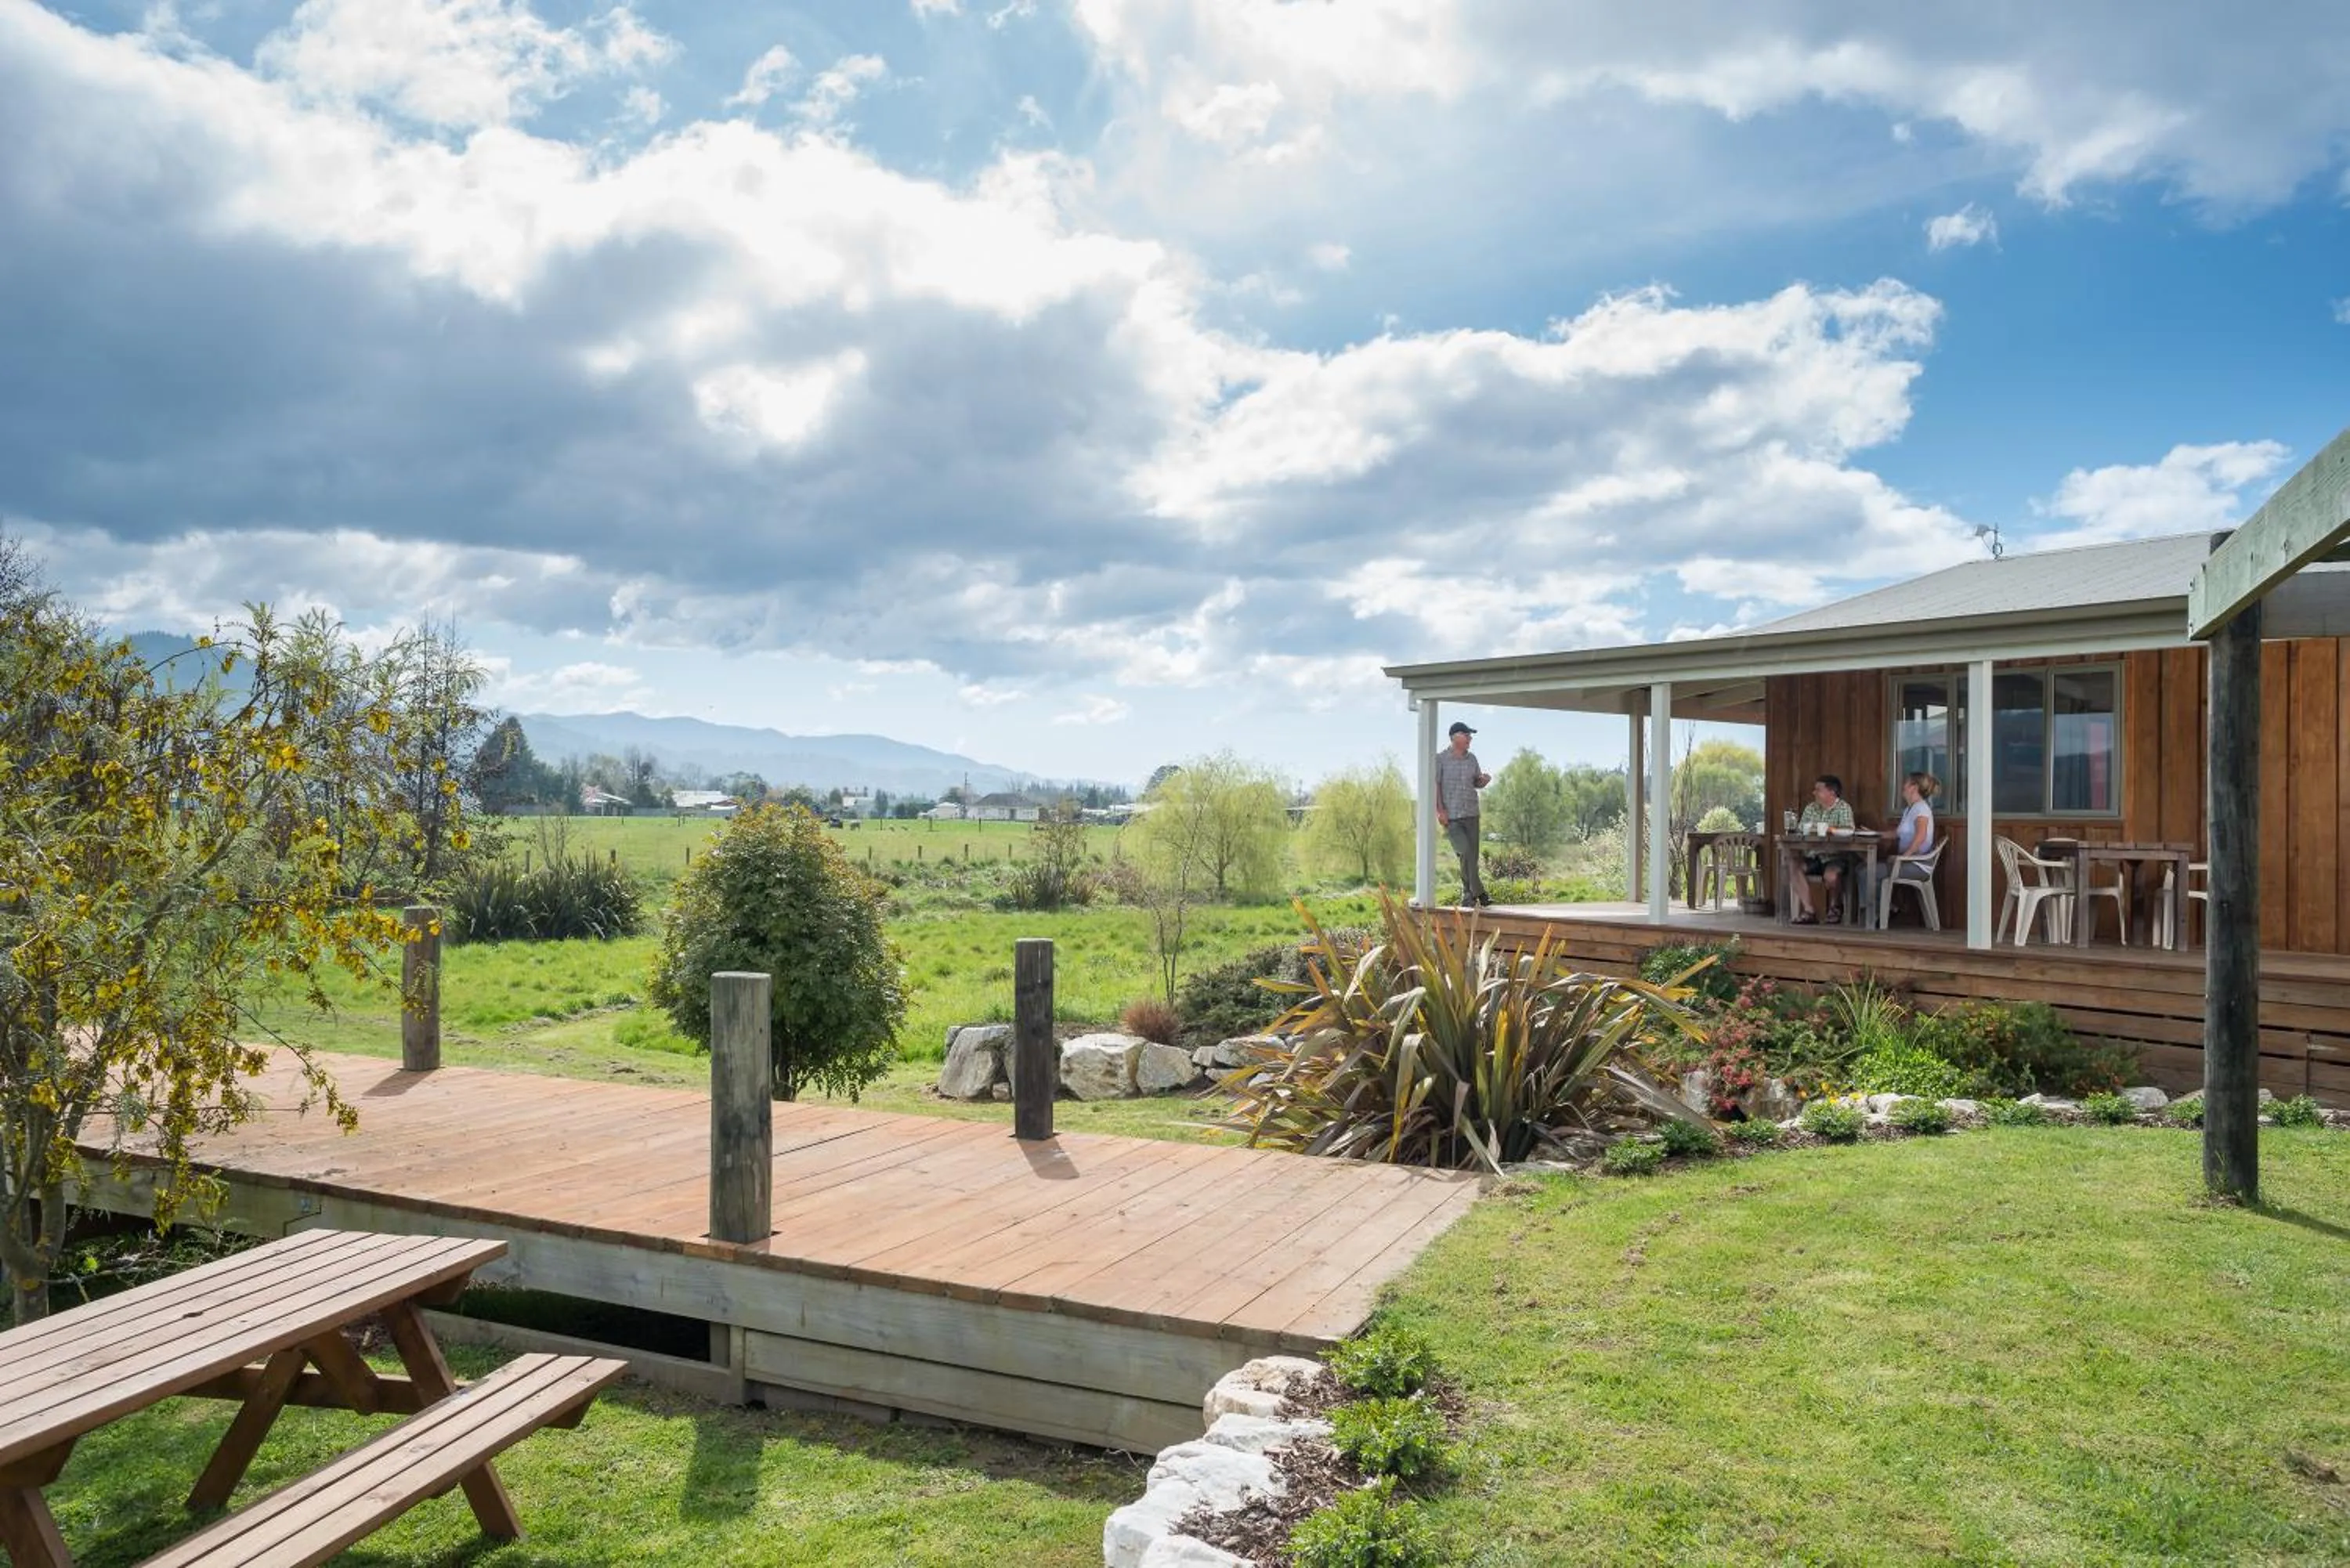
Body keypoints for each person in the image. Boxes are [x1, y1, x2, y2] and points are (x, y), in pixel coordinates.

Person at [1433, 721, 1492, 908]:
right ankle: (1479, 892)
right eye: (1467, 735)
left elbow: (1476, 782)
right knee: (1465, 852)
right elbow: (1436, 785)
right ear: (1455, 737)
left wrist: (1483, 781)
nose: (1470, 739)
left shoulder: (1472, 759)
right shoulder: (1440, 759)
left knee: (1470, 858)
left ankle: (1469, 896)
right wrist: (1439, 809)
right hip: (1453, 817)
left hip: (1472, 814)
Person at [1788, 774, 1856, 925]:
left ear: (1831, 793)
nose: (1814, 793)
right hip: (1813, 856)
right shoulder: (1811, 808)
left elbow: (1848, 830)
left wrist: (1830, 830)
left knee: (1831, 876)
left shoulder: (1843, 808)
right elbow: (1801, 829)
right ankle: (1809, 910)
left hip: (1835, 856)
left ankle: (1835, 908)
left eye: (1818, 790)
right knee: (1794, 866)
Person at [1871, 771, 1939, 918]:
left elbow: (1920, 836)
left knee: (1869, 871)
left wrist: (1903, 858)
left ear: (1914, 787)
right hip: (1908, 862)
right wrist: (1874, 834)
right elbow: (1897, 833)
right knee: (1863, 868)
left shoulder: (1921, 809)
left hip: (1917, 865)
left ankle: (1877, 913)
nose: (1903, 787)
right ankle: (1883, 909)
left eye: (1906, 784)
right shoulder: (1910, 809)